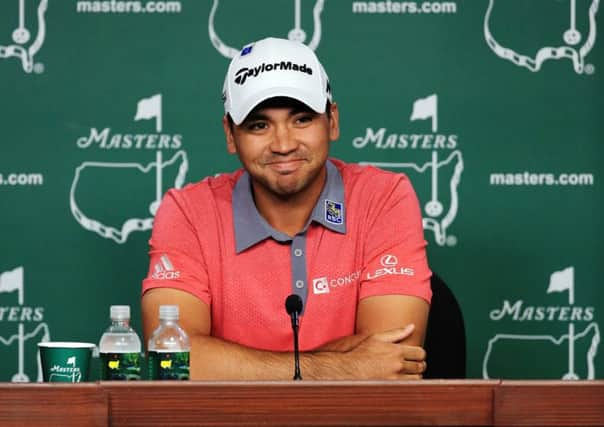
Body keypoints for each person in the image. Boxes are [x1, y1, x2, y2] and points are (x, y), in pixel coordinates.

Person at [141, 37, 432, 380]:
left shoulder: (384, 198)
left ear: (332, 121)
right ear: (231, 135)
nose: (283, 144)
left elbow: (394, 361)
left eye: (302, 119)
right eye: (259, 125)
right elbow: (173, 359)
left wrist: (234, 364)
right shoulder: (188, 211)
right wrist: (340, 366)